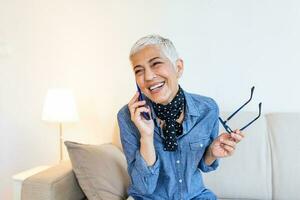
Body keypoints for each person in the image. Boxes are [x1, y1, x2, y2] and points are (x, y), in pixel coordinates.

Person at [117, 34, 245, 200]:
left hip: (195, 196)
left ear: (178, 67)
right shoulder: (127, 117)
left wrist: (211, 153)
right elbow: (144, 187)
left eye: (156, 64)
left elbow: (204, 166)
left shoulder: (208, 109)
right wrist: (146, 137)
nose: (148, 77)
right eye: (139, 71)